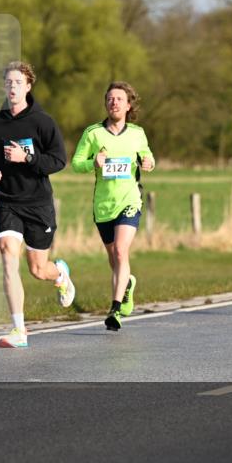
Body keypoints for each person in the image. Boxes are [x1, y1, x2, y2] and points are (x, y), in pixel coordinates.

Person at [0, 61, 75, 349]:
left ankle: (60, 274)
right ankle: (19, 330)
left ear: (28, 86)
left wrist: (28, 158)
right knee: (8, 254)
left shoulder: (42, 122)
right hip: (7, 202)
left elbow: (58, 160)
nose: (12, 87)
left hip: (38, 204)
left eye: (18, 82)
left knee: (38, 269)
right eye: (8, 82)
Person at [71, 81, 155, 331]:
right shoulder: (93, 133)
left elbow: (148, 156)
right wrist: (93, 163)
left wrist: (149, 162)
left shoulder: (137, 133)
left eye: (119, 99)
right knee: (114, 257)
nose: (114, 102)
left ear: (128, 105)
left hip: (129, 200)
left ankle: (115, 309)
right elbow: (76, 163)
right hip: (103, 205)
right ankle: (126, 284)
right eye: (110, 99)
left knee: (120, 251)